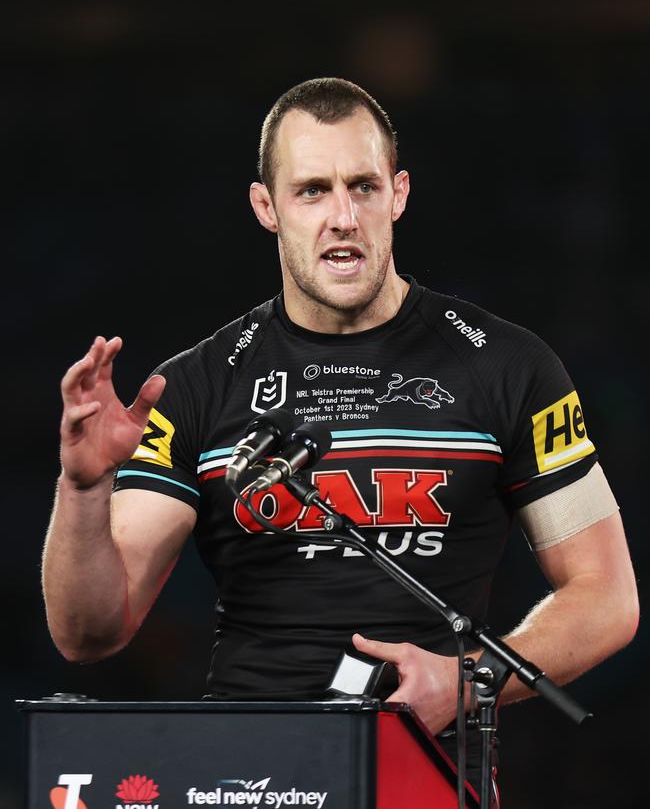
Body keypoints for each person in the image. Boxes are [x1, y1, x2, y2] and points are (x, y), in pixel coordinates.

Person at [43, 77, 638, 789]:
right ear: (267, 207)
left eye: (362, 185)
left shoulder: (508, 367)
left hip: (425, 781)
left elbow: (608, 595)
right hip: (238, 785)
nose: (343, 216)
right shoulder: (195, 386)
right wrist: (83, 486)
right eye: (312, 190)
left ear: (400, 194)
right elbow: (87, 633)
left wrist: (468, 680)